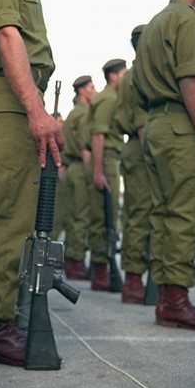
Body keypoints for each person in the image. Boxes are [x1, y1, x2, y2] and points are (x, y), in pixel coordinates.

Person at [0, 0, 63, 367]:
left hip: (15, 90)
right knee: (5, 214)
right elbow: (5, 34)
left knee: (20, 214)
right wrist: (35, 109)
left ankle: (7, 317)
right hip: (8, 92)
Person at [133, 0, 195, 329]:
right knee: (184, 214)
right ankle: (176, 300)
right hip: (180, 124)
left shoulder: (156, 21)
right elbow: (191, 79)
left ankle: (166, 299)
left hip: (155, 122)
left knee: (163, 215)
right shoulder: (189, 17)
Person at [113, 24, 151, 304]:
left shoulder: (131, 74)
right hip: (143, 146)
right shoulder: (140, 72)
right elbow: (141, 122)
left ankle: (135, 278)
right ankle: (135, 280)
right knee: (141, 215)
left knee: (138, 214)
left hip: (135, 146)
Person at [87, 59, 127, 291]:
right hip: (105, 159)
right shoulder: (108, 99)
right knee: (104, 218)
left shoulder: (109, 98)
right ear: (113, 76)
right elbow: (98, 136)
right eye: (123, 74)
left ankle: (102, 270)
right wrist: (99, 171)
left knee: (106, 216)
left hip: (108, 159)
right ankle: (101, 272)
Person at [62, 76, 96, 280]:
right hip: (81, 167)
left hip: (70, 168)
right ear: (82, 91)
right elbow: (85, 147)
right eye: (91, 87)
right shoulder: (84, 113)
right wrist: (93, 173)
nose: (95, 91)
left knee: (73, 215)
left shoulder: (73, 113)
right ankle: (75, 261)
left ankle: (71, 258)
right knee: (81, 216)